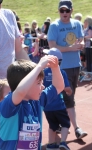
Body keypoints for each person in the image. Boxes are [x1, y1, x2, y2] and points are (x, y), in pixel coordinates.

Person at [0, 56, 64, 149]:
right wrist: (39, 66)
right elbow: (21, 91)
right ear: (25, 84)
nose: (43, 87)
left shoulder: (37, 101)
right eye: (38, 83)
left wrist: (55, 67)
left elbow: (58, 87)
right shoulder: (8, 105)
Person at [47, 0, 88, 139]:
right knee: (67, 98)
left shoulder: (77, 24)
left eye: (67, 10)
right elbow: (52, 46)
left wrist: (81, 44)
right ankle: (76, 128)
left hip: (75, 65)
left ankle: (61, 124)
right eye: (62, 11)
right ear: (59, 11)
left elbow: (81, 39)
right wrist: (70, 49)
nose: (64, 13)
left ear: (71, 10)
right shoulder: (54, 26)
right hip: (61, 67)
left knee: (69, 97)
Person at [43, 48, 72, 150]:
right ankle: (63, 142)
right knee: (65, 123)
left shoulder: (43, 72)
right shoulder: (62, 73)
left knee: (52, 125)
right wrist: (69, 92)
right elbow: (67, 88)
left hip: (46, 105)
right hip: (59, 104)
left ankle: (51, 144)